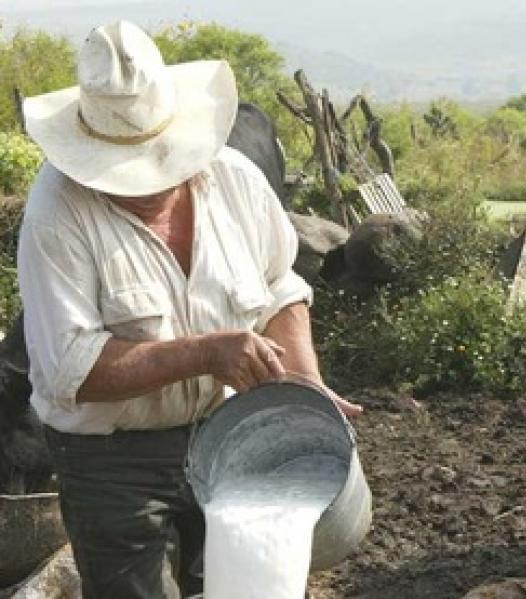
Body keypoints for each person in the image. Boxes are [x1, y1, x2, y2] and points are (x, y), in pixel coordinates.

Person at [18, 20, 361, 598]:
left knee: (237, 585)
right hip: (112, 458)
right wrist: (206, 352)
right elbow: (70, 370)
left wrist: (304, 380)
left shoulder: (235, 181)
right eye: (120, 172)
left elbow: (281, 283)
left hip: (228, 436)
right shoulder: (58, 212)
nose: (143, 183)